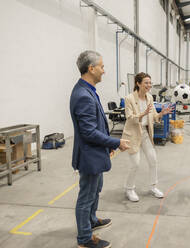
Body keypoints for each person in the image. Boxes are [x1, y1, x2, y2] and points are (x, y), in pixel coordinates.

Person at [70, 50, 130, 248]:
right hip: (89, 156)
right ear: (91, 68)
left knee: (96, 191)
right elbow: (88, 132)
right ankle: (85, 238)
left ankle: (92, 220)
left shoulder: (87, 90)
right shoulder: (83, 95)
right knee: (86, 196)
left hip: (96, 153)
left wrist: (107, 148)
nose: (104, 71)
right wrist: (115, 142)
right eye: (102, 67)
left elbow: (97, 126)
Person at [122, 72, 173, 202]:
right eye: (146, 83)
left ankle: (153, 186)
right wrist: (142, 114)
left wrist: (161, 114)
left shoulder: (149, 97)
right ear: (138, 83)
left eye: (150, 83)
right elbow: (129, 118)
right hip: (133, 134)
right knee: (135, 163)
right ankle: (129, 189)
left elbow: (153, 116)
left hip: (145, 133)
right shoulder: (129, 98)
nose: (149, 85)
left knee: (153, 159)